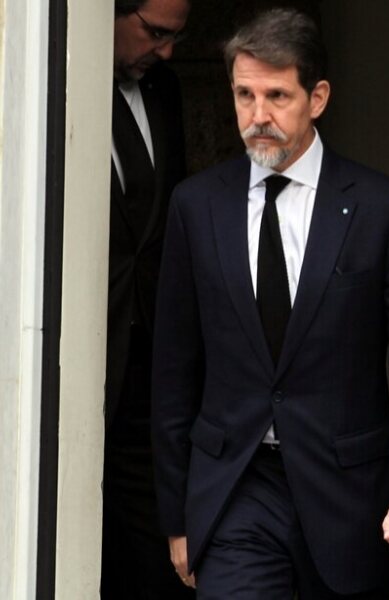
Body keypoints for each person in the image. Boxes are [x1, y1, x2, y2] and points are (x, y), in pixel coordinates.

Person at [152, 8, 389, 599]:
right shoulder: (197, 207)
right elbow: (173, 370)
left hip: (350, 498)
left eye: (277, 96)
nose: (258, 116)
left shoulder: (383, 210)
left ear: (316, 98)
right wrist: (177, 518)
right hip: (236, 490)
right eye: (244, 95)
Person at [102, 0, 194, 598]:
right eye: (155, 33)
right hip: (67, 353)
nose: (166, 51)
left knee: (149, 563)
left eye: (175, 36)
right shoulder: (42, 80)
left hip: (149, 360)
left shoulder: (164, 89)